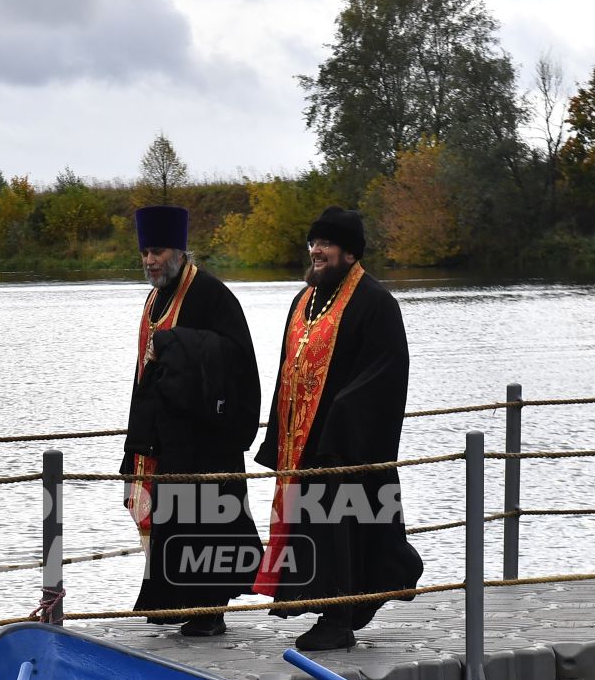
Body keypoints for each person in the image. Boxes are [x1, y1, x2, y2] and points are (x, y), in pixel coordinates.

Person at [253, 206, 423, 651]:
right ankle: (338, 608)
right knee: (319, 530)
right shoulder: (303, 300)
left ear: (349, 253)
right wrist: (279, 433)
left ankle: (338, 619)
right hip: (304, 442)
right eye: (313, 243)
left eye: (326, 244)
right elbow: (287, 369)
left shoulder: (375, 302)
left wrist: (340, 423)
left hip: (347, 445)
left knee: (343, 529)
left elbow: (386, 373)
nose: (316, 251)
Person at [121, 205, 263, 636]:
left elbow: (236, 362)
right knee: (173, 521)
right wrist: (136, 440)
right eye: (145, 252)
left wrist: (174, 344)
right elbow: (144, 371)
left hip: (205, 438)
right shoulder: (153, 298)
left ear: (180, 250)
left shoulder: (212, 296)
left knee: (206, 519)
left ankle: (209, 610)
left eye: (158, 251)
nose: (150, 261)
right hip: (165, 437)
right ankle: (179, 602)